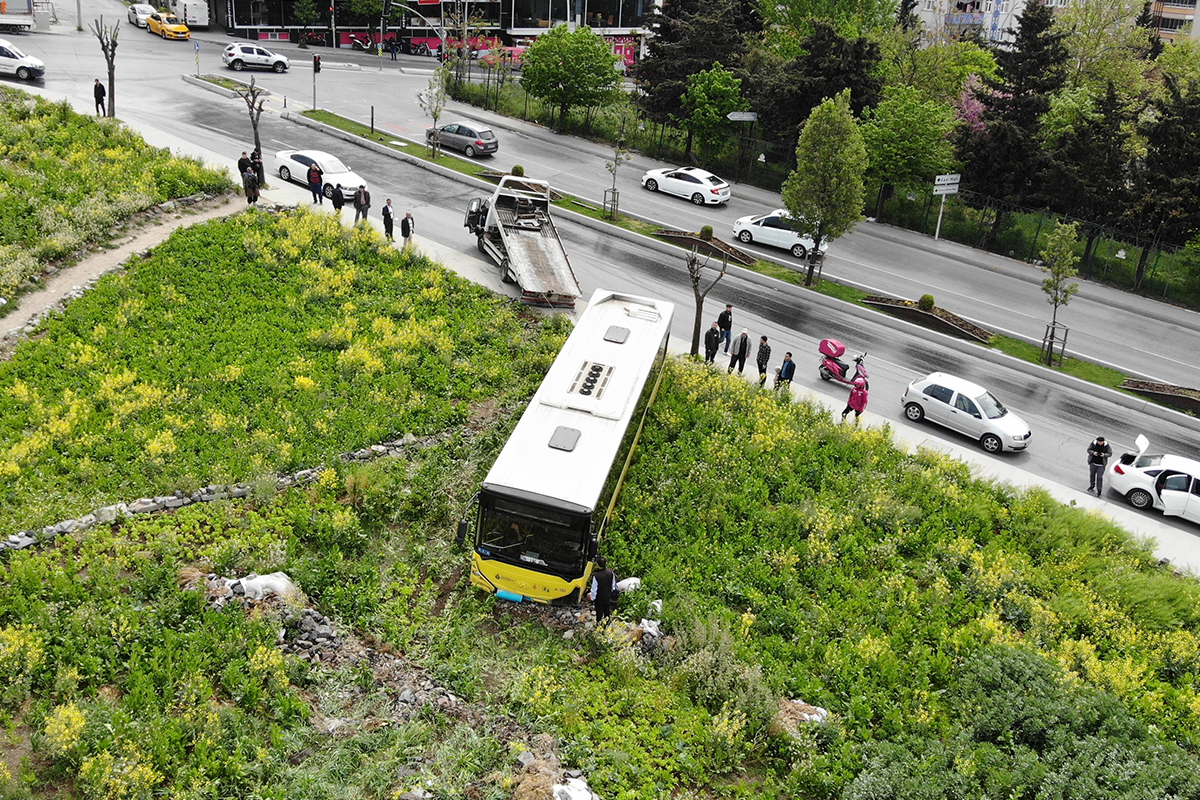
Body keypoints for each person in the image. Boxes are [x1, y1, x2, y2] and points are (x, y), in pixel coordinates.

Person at [590, 556, 617, 622]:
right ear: (606, 563)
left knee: (599, 612)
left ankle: (599, 624)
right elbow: (613, 584)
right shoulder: (611, 572)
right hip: (608, 596)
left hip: (599, 597)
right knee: (607, 611)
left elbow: (594, 589)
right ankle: (607, 623)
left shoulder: (596, 576)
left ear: (598, 564)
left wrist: (593, 598)